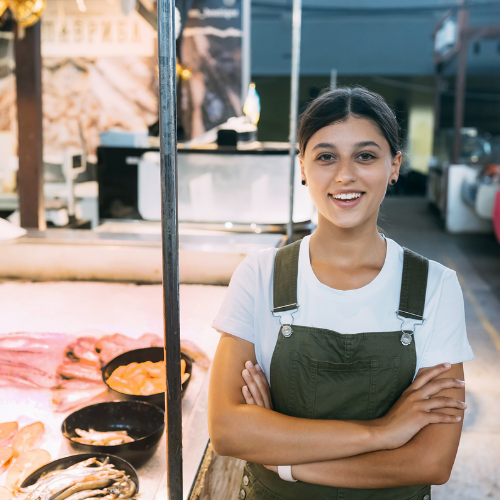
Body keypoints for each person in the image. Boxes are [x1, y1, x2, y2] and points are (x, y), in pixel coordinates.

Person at [208, 86, 474, 500]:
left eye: (365, 155)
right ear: (302, 166)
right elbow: (227, 431)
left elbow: (429, 462)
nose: (344, 175)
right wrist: (383, 432)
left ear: (395, 165)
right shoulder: (259, 276)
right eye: (326, 156)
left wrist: (283, 458)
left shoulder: (434, 287)